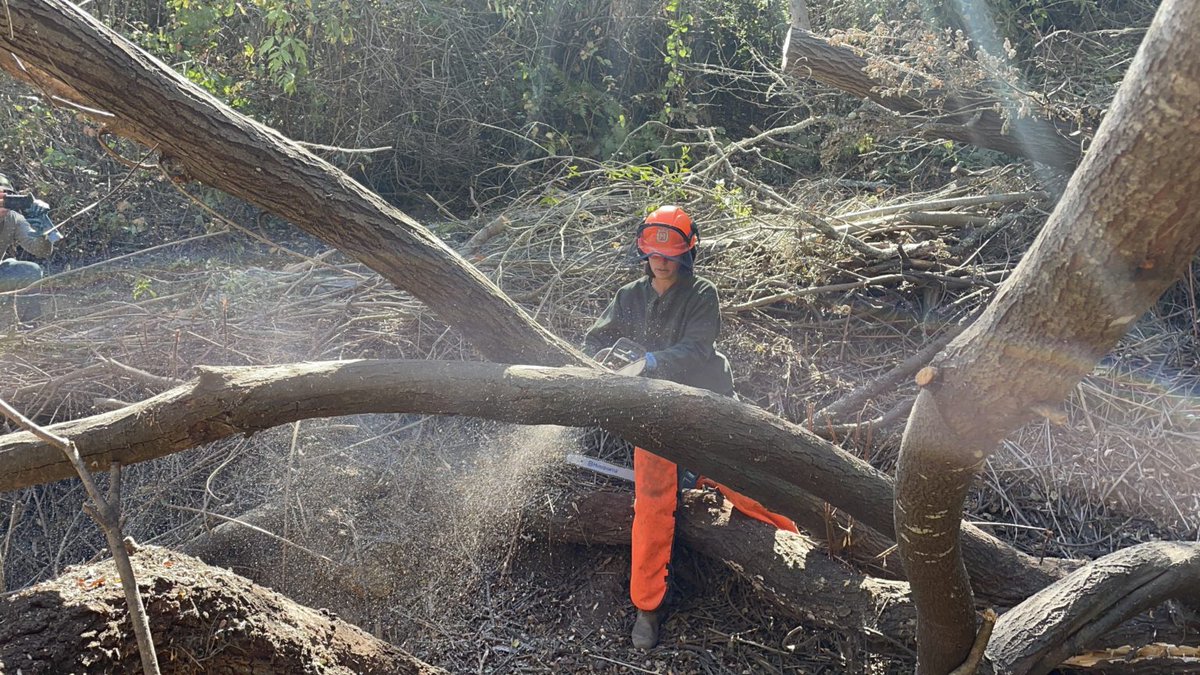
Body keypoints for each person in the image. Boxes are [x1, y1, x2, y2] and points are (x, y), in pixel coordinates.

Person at [584, 205, 798, 650]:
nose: (661, 261)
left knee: (744, 484)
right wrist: (606, 358)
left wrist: (652, 361)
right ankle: (647, 608)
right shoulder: (628, 296)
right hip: (654, 414)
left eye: (671, 253)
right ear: (642, 251)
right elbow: (596, 339)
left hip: (707, 404)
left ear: (687, 254)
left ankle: (800, 545)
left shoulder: (702, 293)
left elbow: (698, 349)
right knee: (653, 502)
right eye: (654, 253)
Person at [0, 173, 58, 324]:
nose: (3, 200)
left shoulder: (13, 219)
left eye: (8, 195)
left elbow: (42, 251)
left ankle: (30, 326)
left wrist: (42, 229)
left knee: (30, 270)